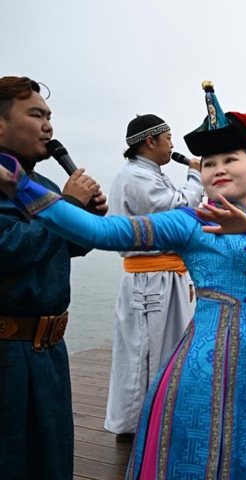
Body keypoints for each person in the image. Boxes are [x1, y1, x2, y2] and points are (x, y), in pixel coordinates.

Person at [0, 80, 246, 480]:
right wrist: (23, 187)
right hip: (205, 370)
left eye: (230, 159)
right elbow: (100, 233)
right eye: (209, 163)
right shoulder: (192, 224)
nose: (219, 169)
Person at [0, 76, 108, 479]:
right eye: (35, 114)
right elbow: (10, 250)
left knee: (51, 460)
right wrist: (68, 205)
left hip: (48, 351)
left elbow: (67, 248)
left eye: (49, 116)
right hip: (7, 351)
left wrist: (85, 218)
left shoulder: (41, 184)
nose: (48, 126)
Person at [105, 114, 203, 442]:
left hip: (163, 276)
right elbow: (179, 210)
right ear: (151, 141)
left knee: (163, 349)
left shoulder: (147, 175)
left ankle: (156, 418)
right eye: (169, 138)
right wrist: (195, 174)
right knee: (145, 353)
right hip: (150, 279)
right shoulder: (136, 176)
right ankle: (136, 426)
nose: (173, 145)